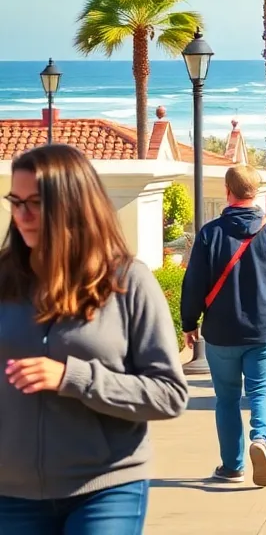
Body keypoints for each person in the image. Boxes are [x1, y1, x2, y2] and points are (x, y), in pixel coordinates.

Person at [0, 145, 188, 530]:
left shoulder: (127, 282)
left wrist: (74, 378)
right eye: (15, 202)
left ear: (73, 205)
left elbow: (169, 394)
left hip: (106, 486)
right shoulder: (3, 279)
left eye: (36, 203)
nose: (22, 216)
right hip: (11, 494)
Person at [182, 164, 266, 487]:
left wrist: (188, 322)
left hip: (221, 333)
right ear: (257, 192)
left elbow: (193, 283)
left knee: (226, 399)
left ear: (228, 192)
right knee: (261, 390)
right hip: (265, 330)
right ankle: (262, 439)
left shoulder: (210, 233)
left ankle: (232, 466)